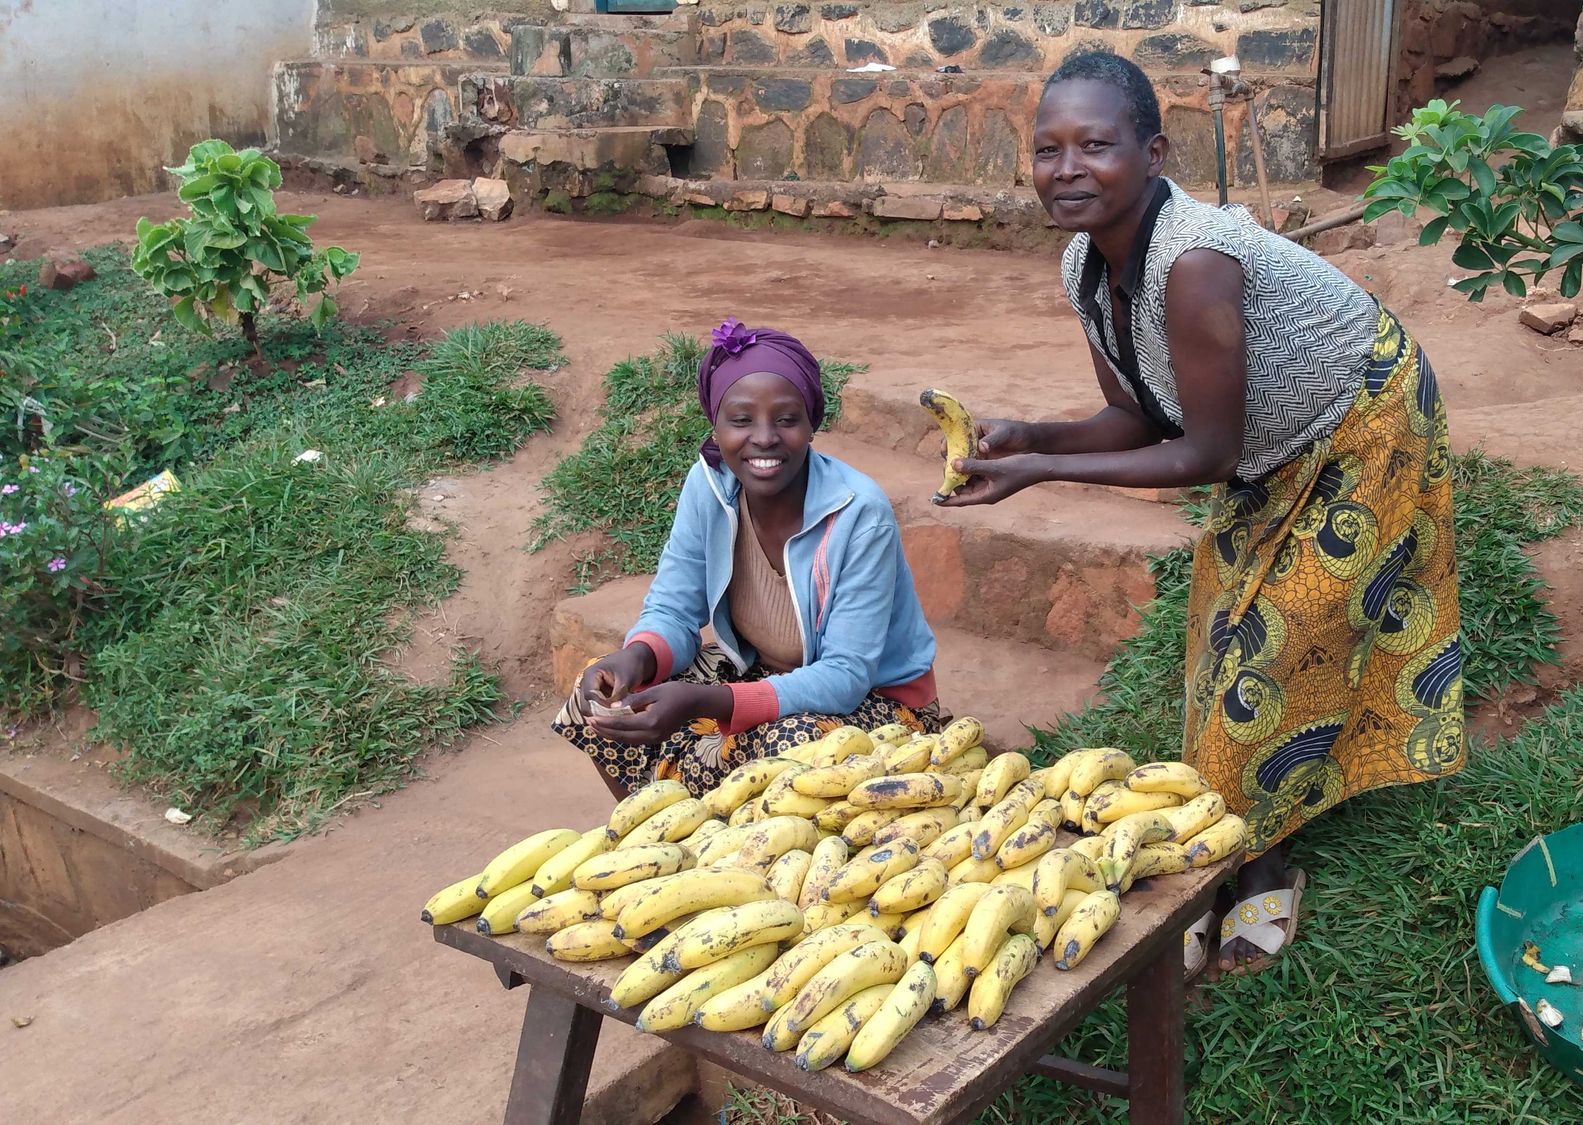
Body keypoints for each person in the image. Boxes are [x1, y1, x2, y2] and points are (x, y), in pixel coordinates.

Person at [939, 53, 1465, 976]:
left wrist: (1035, 474)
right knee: (1224, 639)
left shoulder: (1195, 261)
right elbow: (1140, 416)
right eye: (1047, 148)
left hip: (1363, 418)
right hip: (1260, 437)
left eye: (1095, 145)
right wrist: (1031, 435)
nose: (1067, 168)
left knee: (1286, 633)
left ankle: (1260, 862)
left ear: (1153, 152)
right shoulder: (1083, 263)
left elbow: (1204, 456)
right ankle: (1227, 840)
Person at [557, 319, 944, 798]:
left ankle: (738, 856)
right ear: (716, 427)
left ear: (811, 424)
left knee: (790, 747)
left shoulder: (858, 513)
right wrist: (637, 658)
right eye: (741, 420)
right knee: (598, 696)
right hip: (760, 669)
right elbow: (676, 608)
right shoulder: (710, 486)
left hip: (876, 701)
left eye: (786, 419)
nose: (764, 438)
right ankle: (645, 840)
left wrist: (708, 700)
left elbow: (845, 676)